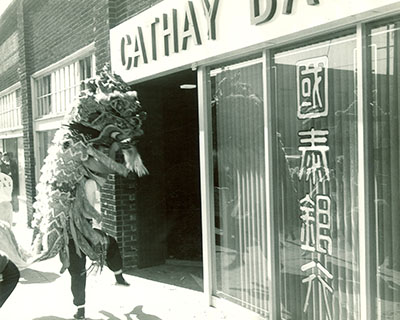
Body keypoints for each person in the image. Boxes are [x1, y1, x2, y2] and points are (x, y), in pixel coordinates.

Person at [68, 177, 129, 320]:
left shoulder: (63, 182)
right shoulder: (89, 183)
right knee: (109, 243)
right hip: (81, 231)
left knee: (78, 272)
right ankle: (118, 276)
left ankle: (80, 310)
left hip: (74, 232)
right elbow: (90, 209)